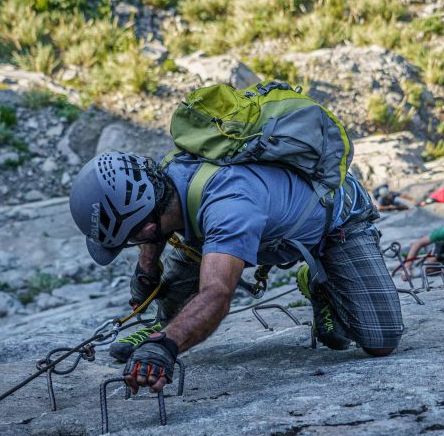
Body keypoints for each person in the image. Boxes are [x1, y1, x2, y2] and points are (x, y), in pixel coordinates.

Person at [68, 151, 404, 395]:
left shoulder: (226, 206)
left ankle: (320, 285)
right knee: (174, 310)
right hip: (243, 226)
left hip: (332, 222)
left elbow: (217, 294)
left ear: (146, 224)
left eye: (131, 238)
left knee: (379, 340)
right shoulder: (164, 184)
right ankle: (164, 324)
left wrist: (166, 347)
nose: (135, 243)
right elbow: (151, 247)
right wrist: (147, 293)